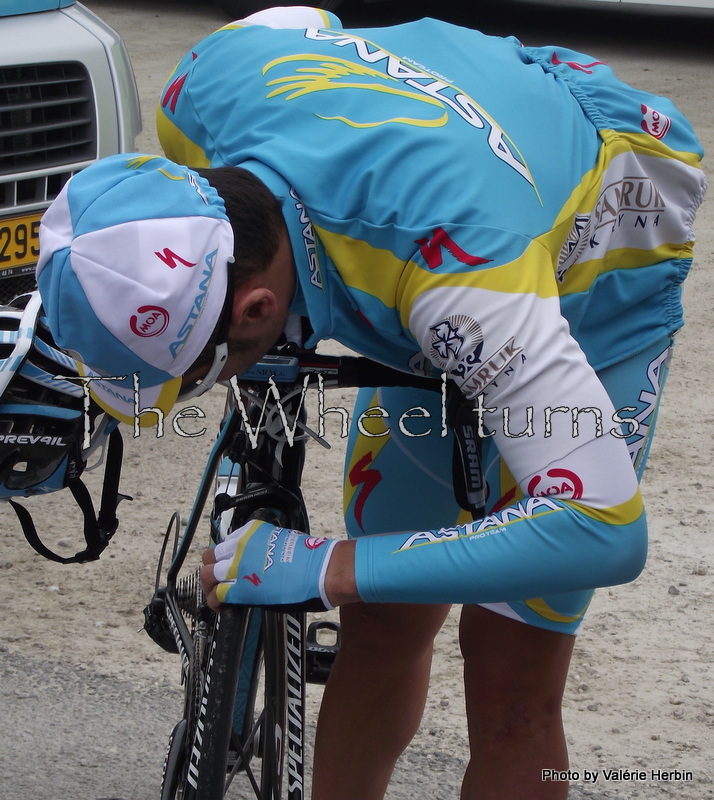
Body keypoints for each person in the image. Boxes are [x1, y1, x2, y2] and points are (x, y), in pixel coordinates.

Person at [36, 6, 706, 799]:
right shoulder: (197, 93)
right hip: (454, 183)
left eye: (197, 370)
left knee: (512, 685)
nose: (195, 392)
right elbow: (303, 20)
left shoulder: (458, 278)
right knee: (382, 624)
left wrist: (329, 566)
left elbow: (604, 530)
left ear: (254, 310)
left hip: (599, 250)